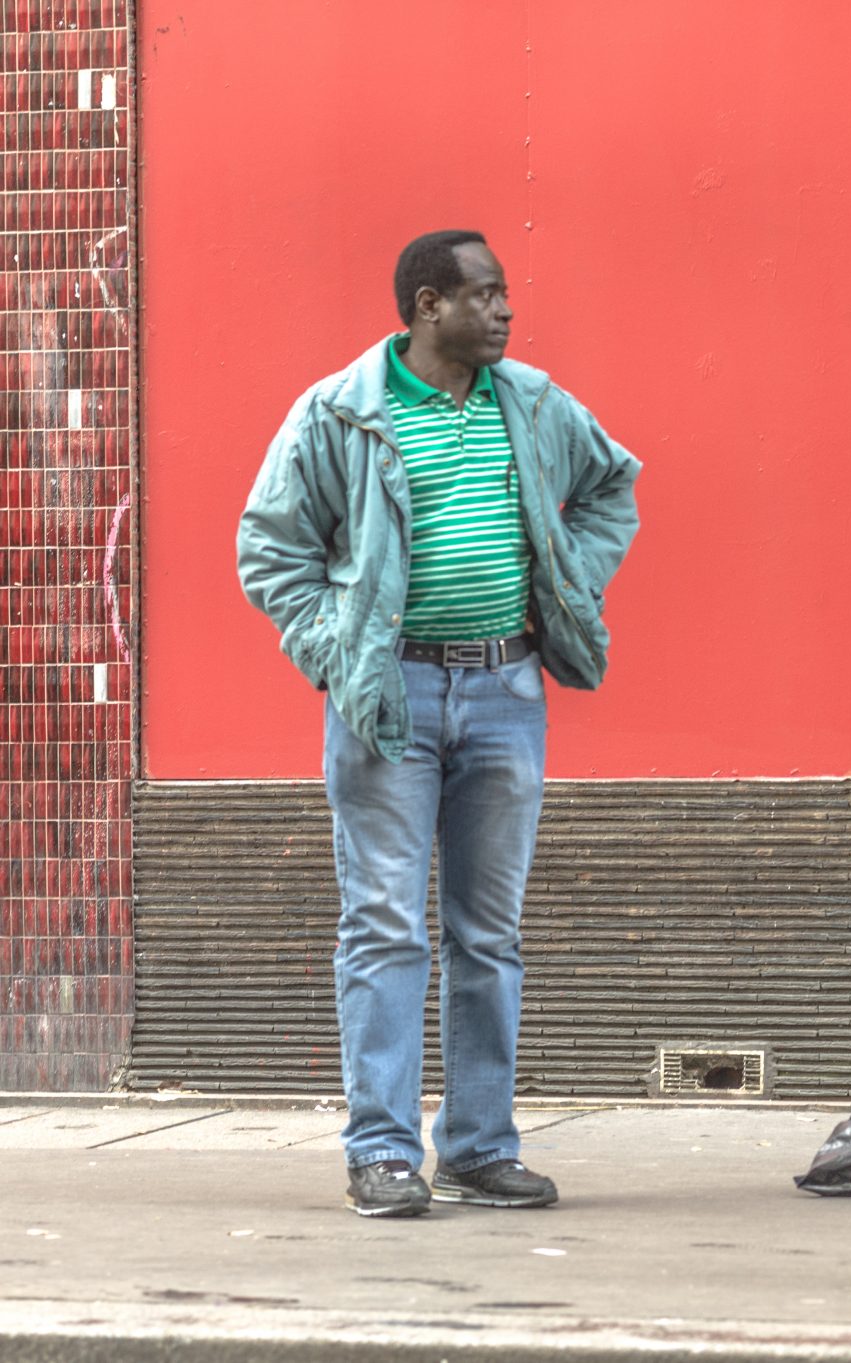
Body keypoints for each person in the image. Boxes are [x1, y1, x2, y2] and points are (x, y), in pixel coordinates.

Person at [237, 230, 640, 1217]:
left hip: (506, 690)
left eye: (502, 294)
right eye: (485, 293)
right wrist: (337, 651)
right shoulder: (340, 412)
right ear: (429, 305)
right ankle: (382, 1152)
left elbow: (609, 488)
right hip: (390, 698)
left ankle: (478, 1147)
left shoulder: (532, 403)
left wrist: (570, 581)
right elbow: (270, 549)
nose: (505, 310)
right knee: (384, 925)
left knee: (488, 933)